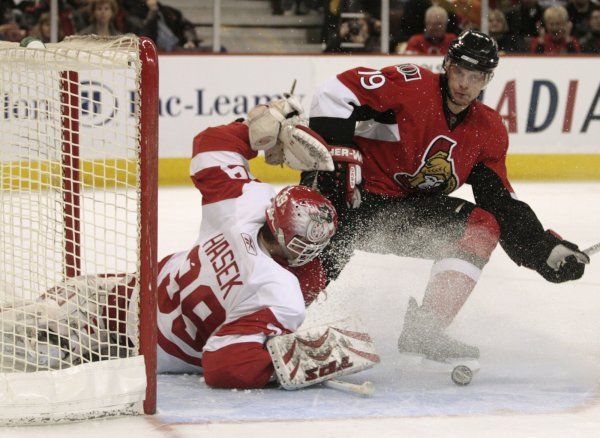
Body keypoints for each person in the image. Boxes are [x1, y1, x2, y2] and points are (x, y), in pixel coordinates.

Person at [301, 30, 590, 363]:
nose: (464, 84)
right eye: (459, 72)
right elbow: (332, 94)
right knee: (314, 254)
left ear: (487, 80)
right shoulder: (411, 85)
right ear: (447, 66)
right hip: (352, 198)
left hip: (406, 217)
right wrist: (337, 166)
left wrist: (542, 249)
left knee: (482, 225)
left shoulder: (488, 130)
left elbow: (498, 201)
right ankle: (269, 320)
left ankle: (425, 331)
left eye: (476, 77)